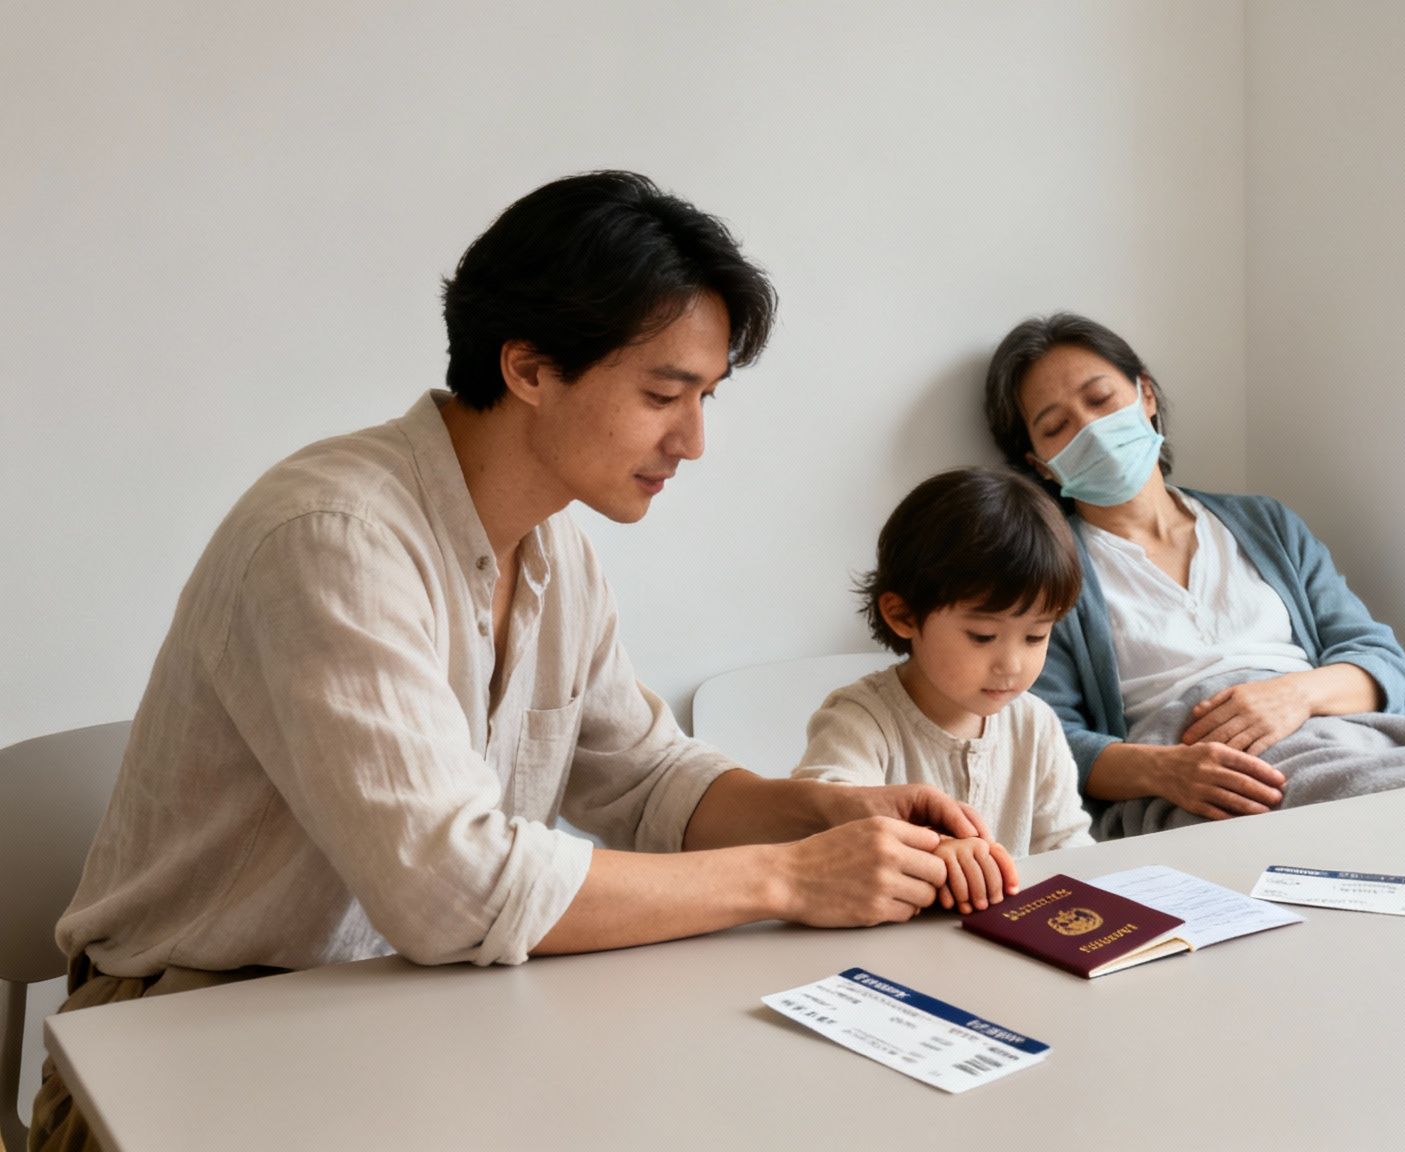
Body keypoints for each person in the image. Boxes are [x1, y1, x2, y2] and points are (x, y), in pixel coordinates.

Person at [30, 172, 998, 1152]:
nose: (694, 441)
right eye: (664, 393)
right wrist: (791, 880)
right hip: (179, 1044)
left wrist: (823, 810)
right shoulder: (332, 539)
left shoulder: (554, 550)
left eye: (705, 396)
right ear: (530, 367)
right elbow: (453, 889)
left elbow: (646, 776)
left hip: (405, 1019)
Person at [981, 312, 1405, 841]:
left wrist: (1294, 695)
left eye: (1103, 399)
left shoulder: (1264, 524)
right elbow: (1047, 737)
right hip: (1219, 779)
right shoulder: (1050, 571)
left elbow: (1382, 664)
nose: (1092, 428)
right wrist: (1169, 771)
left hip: (1345, 739)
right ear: (1041, 464)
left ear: (1147, 396)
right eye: (1056, 426)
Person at [792, 468, 1094, 912]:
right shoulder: (860, 718)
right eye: (983, 637)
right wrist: (933, 854)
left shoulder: (1035, 724)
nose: (1011, 665)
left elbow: (1070, 850)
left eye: (1035, 637)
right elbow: (823, 819)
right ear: (903, 616)